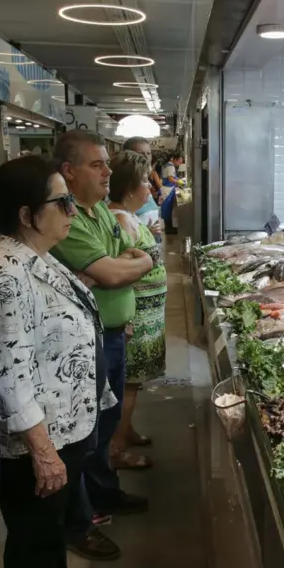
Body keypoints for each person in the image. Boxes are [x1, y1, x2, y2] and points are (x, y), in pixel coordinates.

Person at [0, 156, 110, 568]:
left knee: (49, 540)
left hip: (63, 431)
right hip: (36, 445)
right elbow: (9, 372)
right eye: (62, 201)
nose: (73, 210)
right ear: (29, 214)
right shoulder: (4, 273)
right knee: (33, 549)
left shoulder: (38, 257)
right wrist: (43, 450)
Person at [50, 131, 153, 551]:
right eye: (98, 164)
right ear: (69, 172)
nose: (108, 172)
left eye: (108, 164)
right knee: (81, 433)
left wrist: (125, 264)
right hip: (79, 341)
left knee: (106, 423)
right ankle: (80, 520)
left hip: (111, 332)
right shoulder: (68, 217)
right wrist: (119, 266)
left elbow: (134, 252)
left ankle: (104, 491)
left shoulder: (98, 213)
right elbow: (113, 272)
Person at [107, 151, 168, 465]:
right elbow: (120, 268)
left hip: (147, 311)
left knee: (134, 382)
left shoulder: (127, 216)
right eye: (145, 181)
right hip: (137, 314)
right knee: (128, 384)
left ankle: (125, 431)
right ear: (130, 188)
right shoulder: (119, 219)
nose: (150, 187)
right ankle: (116, 450)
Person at [122, 137, 166, 240]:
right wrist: (146, 233)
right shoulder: (126, 187)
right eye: (141, 154)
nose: (146, 157)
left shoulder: (145, 180)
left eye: (148, 153)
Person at [158, 152, 184, 234]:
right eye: (179, 162)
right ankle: (168, 229)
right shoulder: (170, 167)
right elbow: (171, 179)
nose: (179, 164)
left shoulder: (168, 165)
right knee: (167, 210)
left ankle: (169, 228)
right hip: (168, 191)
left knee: (168, 210)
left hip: (168, 190)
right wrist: (179, 182)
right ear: (175, 160)